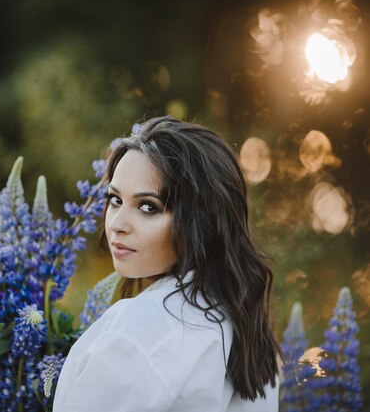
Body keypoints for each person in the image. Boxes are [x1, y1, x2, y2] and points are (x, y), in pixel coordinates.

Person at [53, 116, 281, 411]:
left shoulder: (137, 331)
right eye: (115, 200)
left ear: (201, 222)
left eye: (148, 207)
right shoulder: (245, 330)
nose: (117, 224)